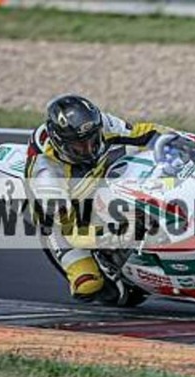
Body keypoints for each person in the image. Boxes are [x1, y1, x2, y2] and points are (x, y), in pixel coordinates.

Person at [25, 94, 172, 302]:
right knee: (88, 284)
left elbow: (143, 133)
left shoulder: (102, 123)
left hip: (96, 172)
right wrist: (118, 235)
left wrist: (177, 140)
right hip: (62, 212)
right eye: (79, 146)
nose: (88, 149)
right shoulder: (46, 175)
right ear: (60, 144)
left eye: (92, 140)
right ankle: (97, 264)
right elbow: (72, 232)